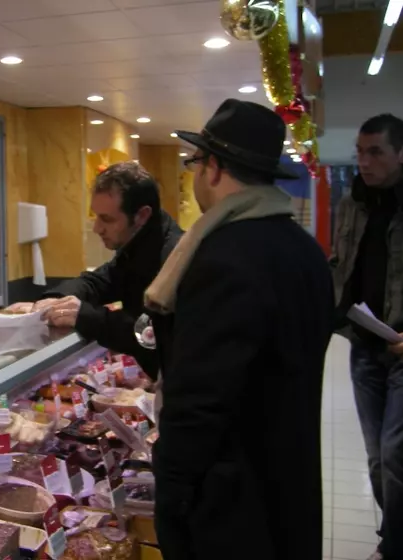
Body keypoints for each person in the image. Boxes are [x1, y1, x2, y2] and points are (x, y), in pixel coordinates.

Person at [143, 99, 334, 560]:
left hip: (233, 503)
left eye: (195, 162)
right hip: (288, 478)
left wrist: (171, 497)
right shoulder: (305, 250)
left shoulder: (224, 257)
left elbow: (199, 400)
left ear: (213, 168)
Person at [7, 161, 182, 377]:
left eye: (106, 219)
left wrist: (86, 316)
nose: (97, 228)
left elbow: (151, 334)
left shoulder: (174, 257)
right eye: (96, 216)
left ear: (142, 216)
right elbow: (98, 281)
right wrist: (56, 299)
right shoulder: (135, 246)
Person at [330, 113, 403, 560]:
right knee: (378, 459)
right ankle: (391, 538)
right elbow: (343, 265)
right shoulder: (351, 203)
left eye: (375, 151)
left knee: (396, 455)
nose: (364, 161)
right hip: (364, 344)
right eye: (360, 151)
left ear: (400, 153)